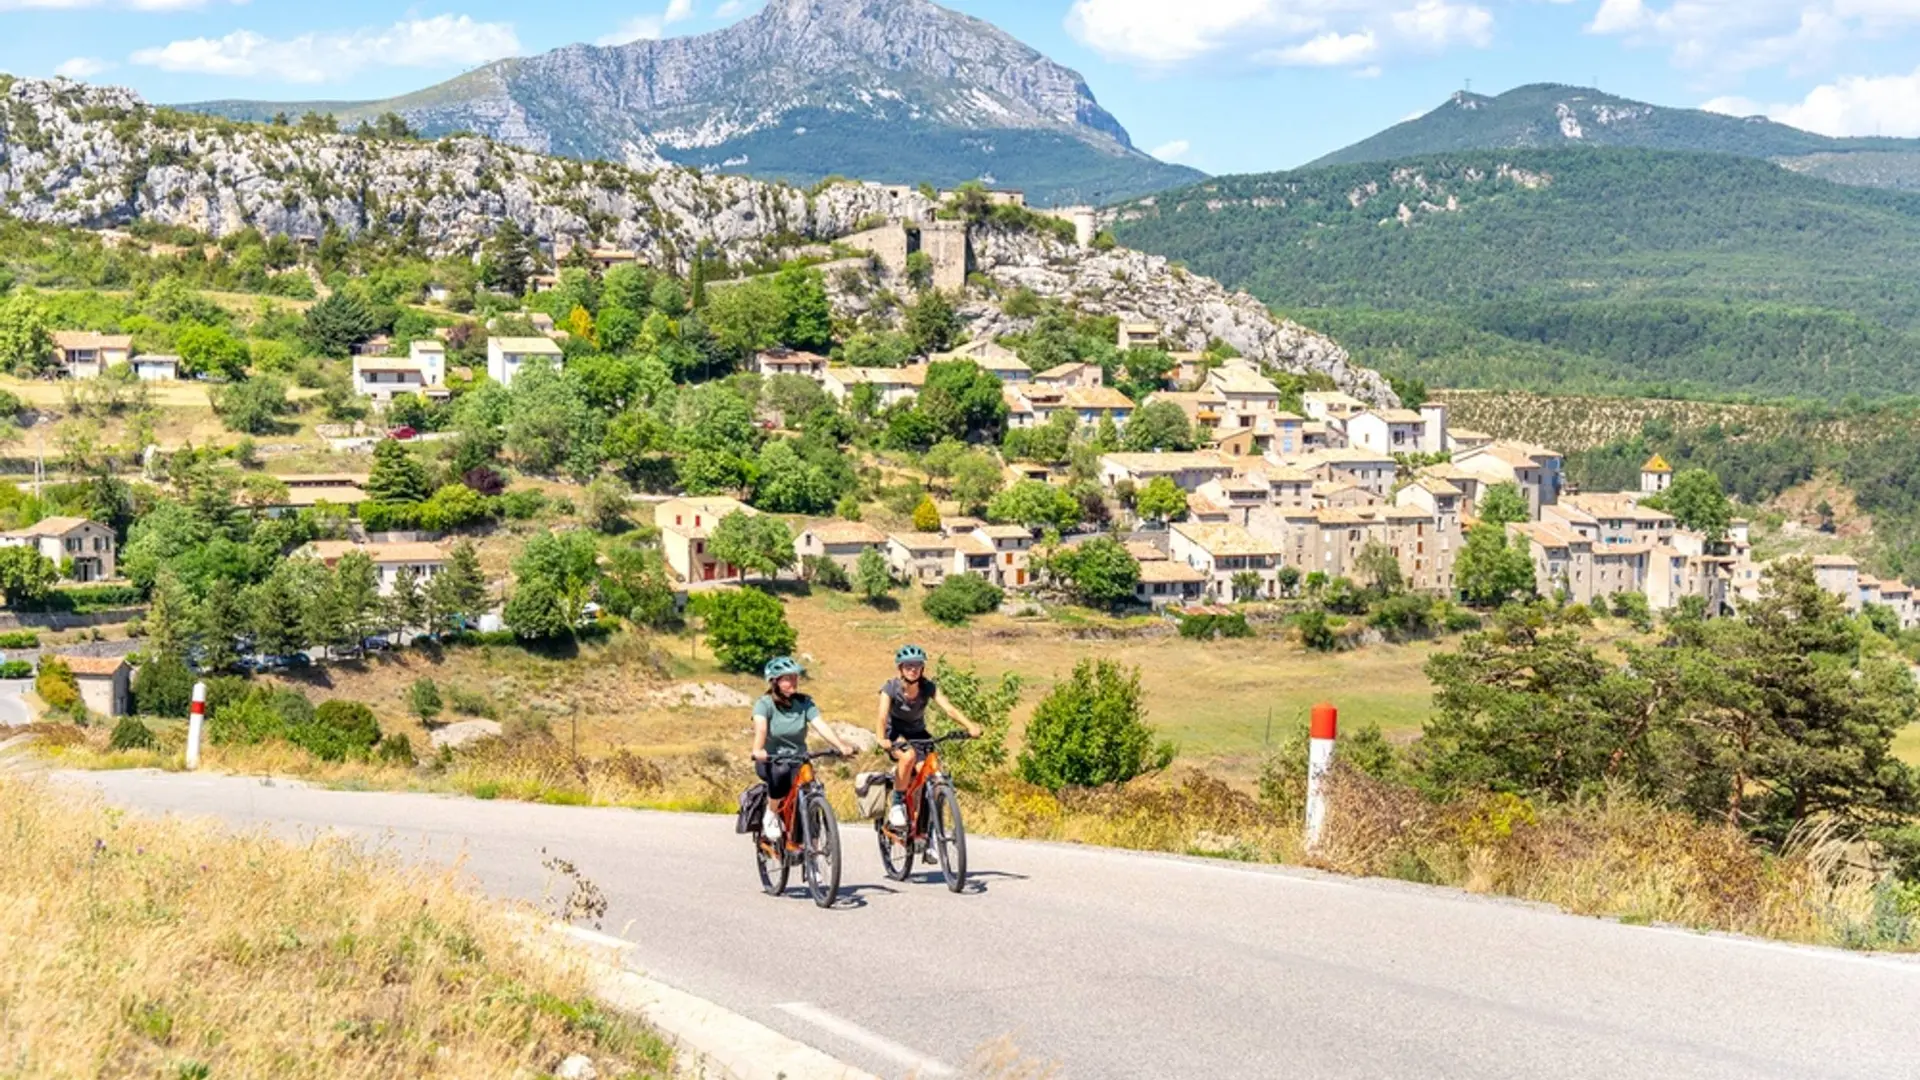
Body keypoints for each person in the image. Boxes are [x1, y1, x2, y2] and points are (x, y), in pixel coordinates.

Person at [876, 644, 983, 828]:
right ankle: (897, 804)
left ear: (922, 668)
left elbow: (949, 709)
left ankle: (928, 833)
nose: (913, 669)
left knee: (930, 774)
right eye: (908, 666)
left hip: (919, 734)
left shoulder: (927, 687)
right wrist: (881, 738)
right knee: (908, 757)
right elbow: (882, 716)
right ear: (900, 668)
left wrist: (970, 726)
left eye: (917, 665)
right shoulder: (890, 688)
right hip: (895, 734)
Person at [752, 656, 854, 841]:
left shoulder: (805, 703)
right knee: (780, 773)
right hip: (771, 760)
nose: (793, 681)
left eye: (795, 677)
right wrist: (758, 749)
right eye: (787, 678)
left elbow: (820, 724)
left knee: (809, 783)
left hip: (798, 758)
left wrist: (840, 745)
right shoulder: (764, 704)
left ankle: (811, 841)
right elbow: (761, 728)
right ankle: (771, 813)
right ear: (775, 682)